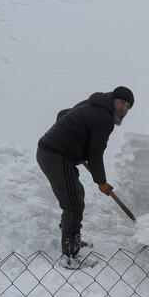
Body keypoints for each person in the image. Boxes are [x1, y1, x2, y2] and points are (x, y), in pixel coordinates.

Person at [36, 86, 134, 267]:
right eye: (122, 103)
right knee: (73, 203)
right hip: (55, 154)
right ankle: (70, 256)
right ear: (113, 99)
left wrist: (74, 140)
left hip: (52, 152)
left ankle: (71, 238)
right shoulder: (104, 119)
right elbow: (95, 153)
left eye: (128, 107)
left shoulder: (92, 103)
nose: (124, 109)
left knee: (76, 195)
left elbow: (63, 114)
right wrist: (101, 182)